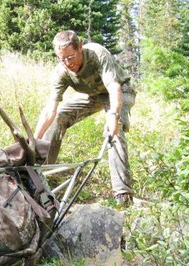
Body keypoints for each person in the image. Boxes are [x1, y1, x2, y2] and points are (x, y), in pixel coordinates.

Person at [34, 30, 136, 206]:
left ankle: (123, 195)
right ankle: (41, 173)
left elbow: (113, 88)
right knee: (60, 115)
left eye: (71, 57)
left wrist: (114, 115)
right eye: (62, 59)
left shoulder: (96, 53)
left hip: (120, 91)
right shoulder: (62, 71)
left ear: (80, 47)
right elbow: (50, 109)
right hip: (93, 95)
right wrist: (34, 140)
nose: (67, 63)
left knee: (114, 131)